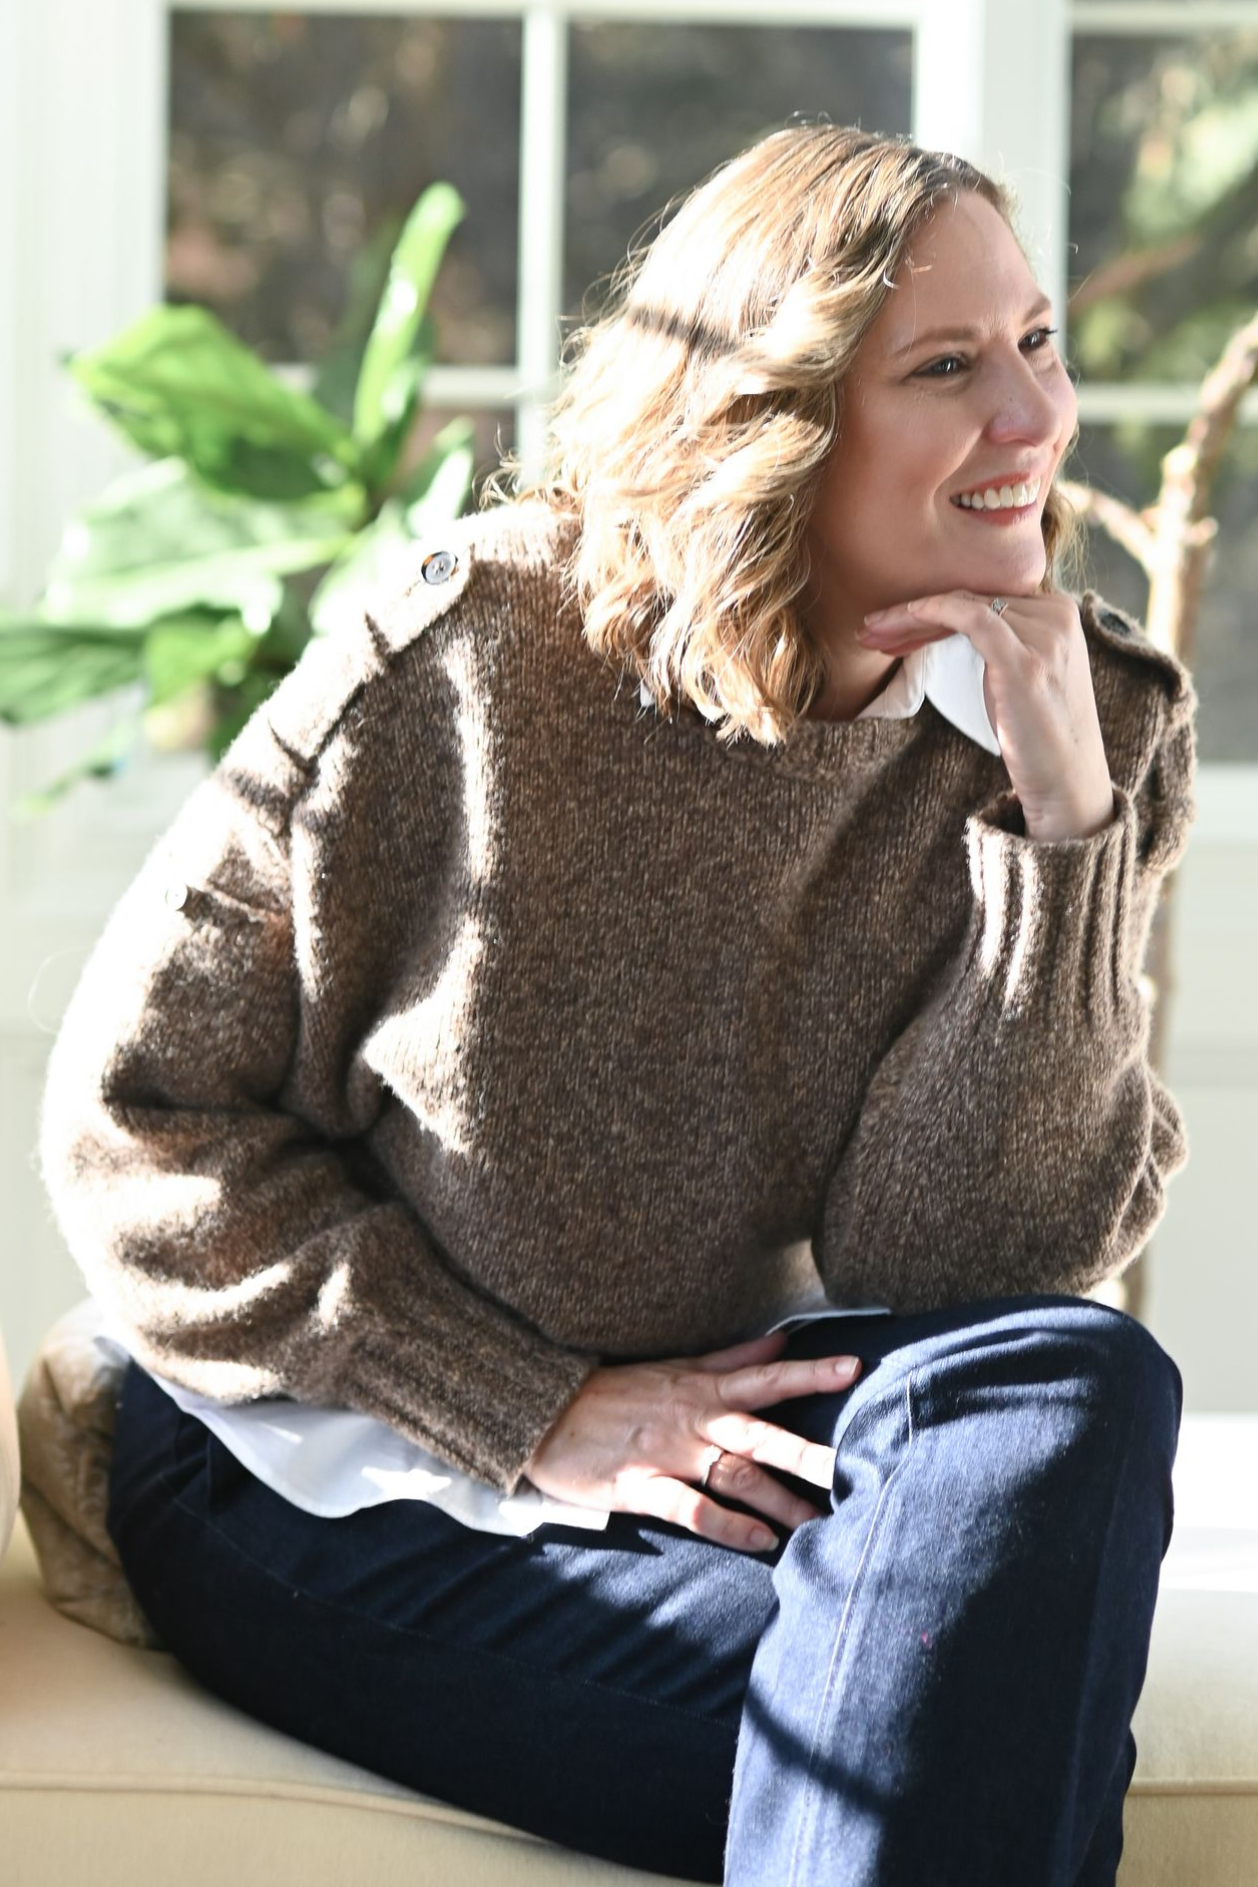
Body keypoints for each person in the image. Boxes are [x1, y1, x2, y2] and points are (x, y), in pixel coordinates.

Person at [38, 124, 1196, 1886]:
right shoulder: (473, 665)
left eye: (1033, 343)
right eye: (947, 367)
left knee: (1068, 1371)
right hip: (306, 1443)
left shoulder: (1078, 720)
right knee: (969, 1736)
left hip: (704, 1440)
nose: (1031, 423)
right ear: (778, 415)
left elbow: (963, 1268)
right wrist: (526, 1405)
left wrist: (1055, 820)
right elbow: (136, 1121)